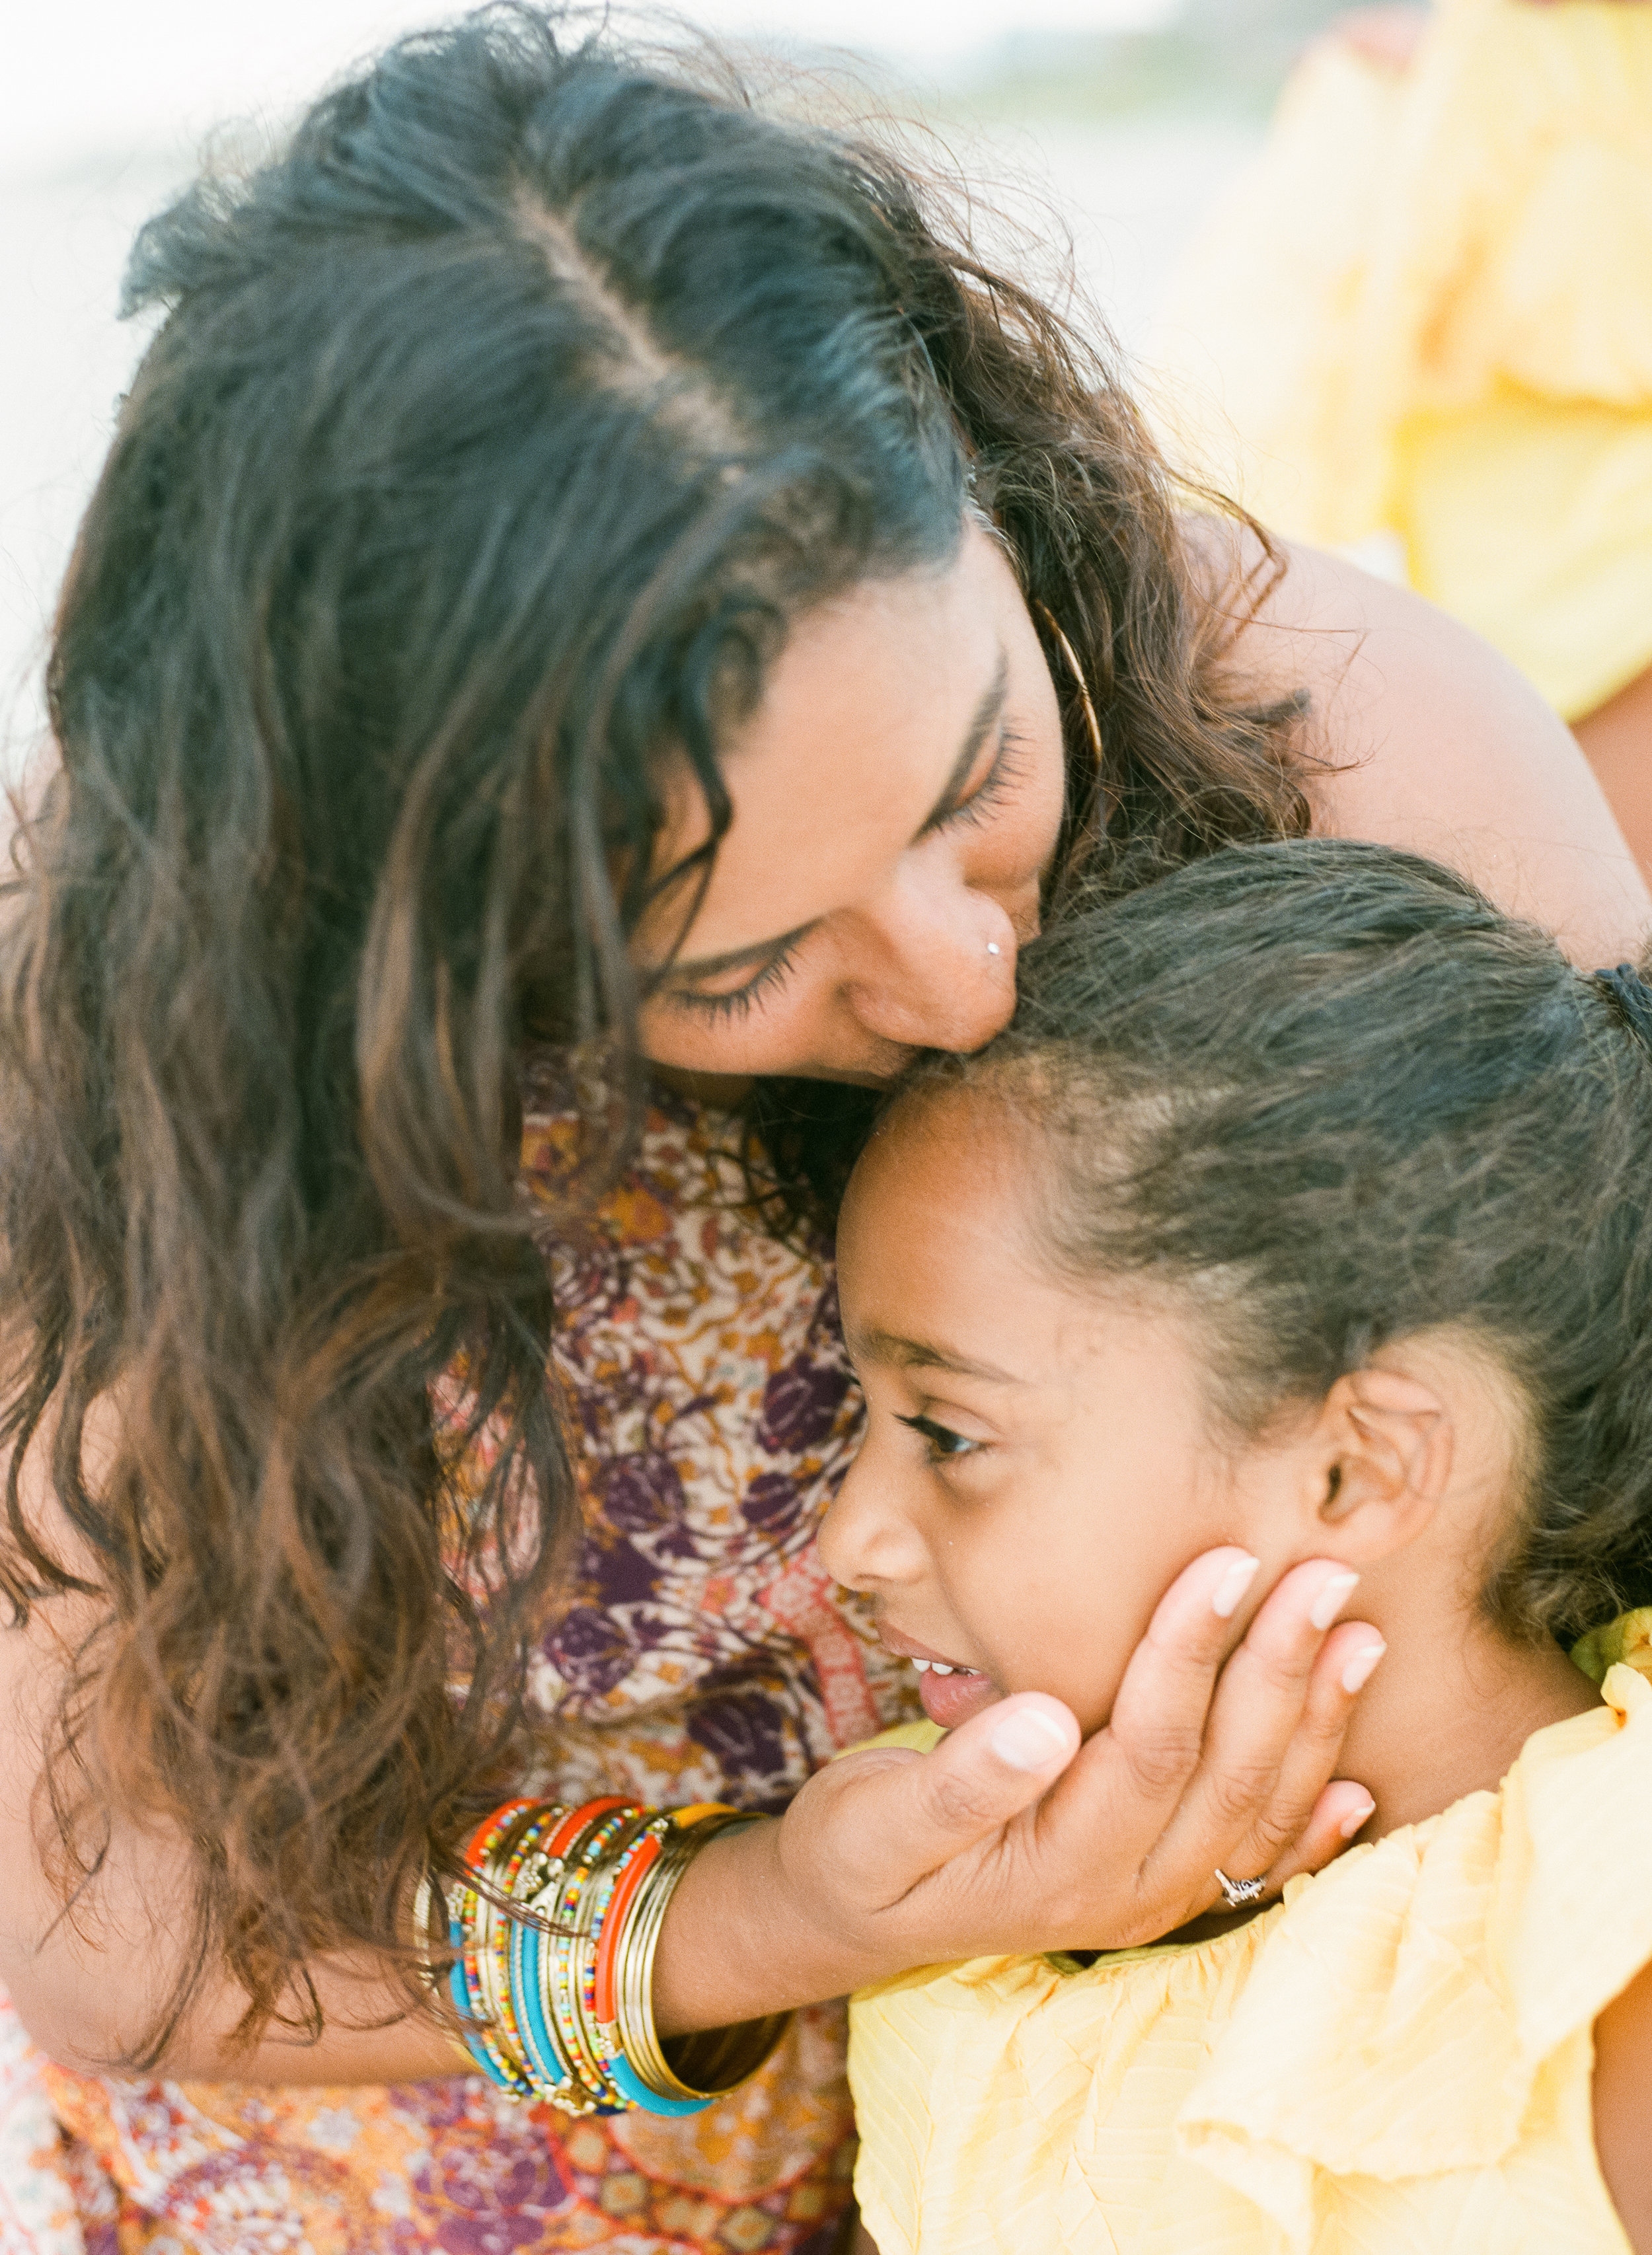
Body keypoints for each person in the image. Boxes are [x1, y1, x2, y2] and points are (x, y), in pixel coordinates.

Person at [0, 7, 1644, 2251]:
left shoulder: (1344, 761)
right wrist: (777, 1918)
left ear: (973, 462)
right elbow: (111, 1918)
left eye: (976, 785)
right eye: (733, 965)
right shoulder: (135, 1059)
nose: (968, 984)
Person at [830, 840, 1652, 2252]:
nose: (847, 1538)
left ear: (1354, 1469)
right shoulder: (957, 1927)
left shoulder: (1595, 1978)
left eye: (947, 1434)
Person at [1150, 0, 1652, 868]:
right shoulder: (1436, 84)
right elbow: (1233, 417)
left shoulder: (1464, 81)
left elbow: (1237, 424)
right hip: (1537, 636)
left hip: (1574, 642)